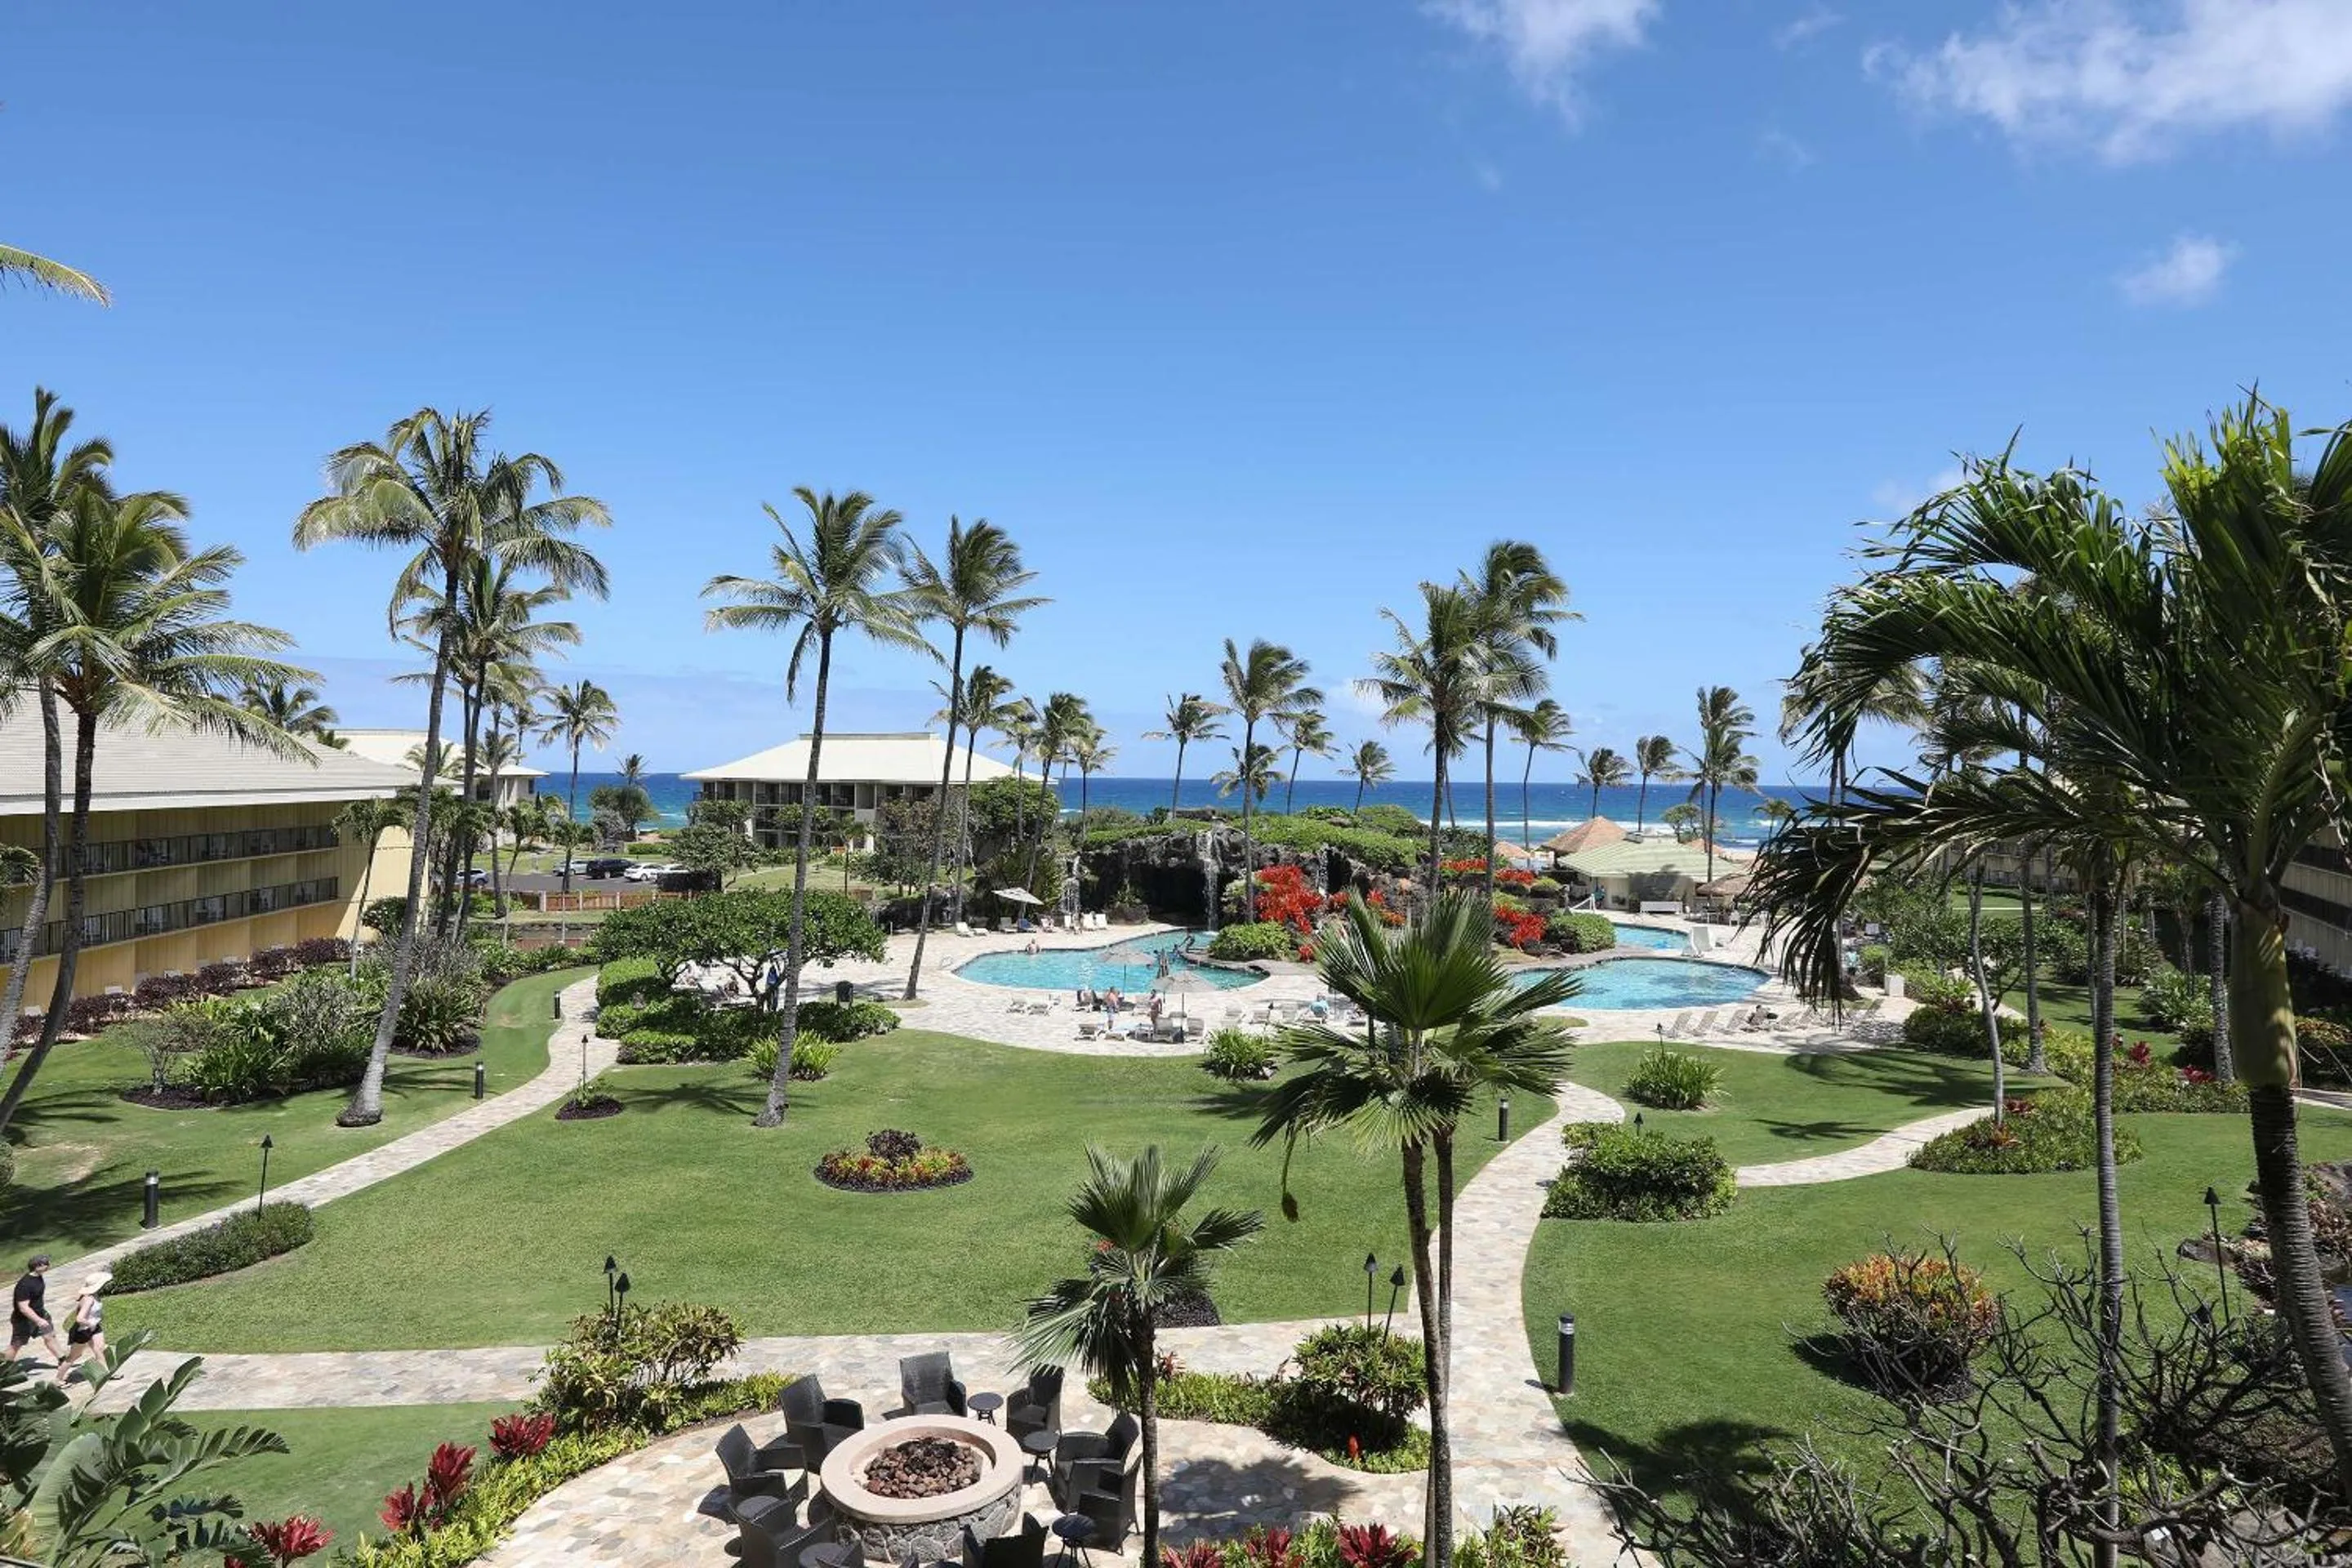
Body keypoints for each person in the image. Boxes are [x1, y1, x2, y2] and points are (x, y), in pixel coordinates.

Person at [52, 1272, 109, 1388]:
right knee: (74, 1356)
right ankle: (57, 1380)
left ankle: (105, 1374)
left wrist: (96, 1320)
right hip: (83, 1331)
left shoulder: (94, 1295)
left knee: (100, 1350)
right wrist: (90, 1323)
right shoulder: (89, 1299)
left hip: (94, 1328)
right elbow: (79, 1319)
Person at [9, 1255, 59, 1368]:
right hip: (24, 1320)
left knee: (50, 1336)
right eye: (46, 1264)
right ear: (37, 1266)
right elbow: (23, 1308)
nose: (48, 1266)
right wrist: (38, 1320)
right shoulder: (25, 1284)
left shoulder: (38, 1277)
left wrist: (42, 1317)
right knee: (16, 1344)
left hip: (40, 1313)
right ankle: (3, 1368)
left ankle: (62, 1360)